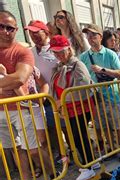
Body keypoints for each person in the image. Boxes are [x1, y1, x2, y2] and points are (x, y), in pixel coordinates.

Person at [0, 11, 63, 180]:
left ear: (15, 30)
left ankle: (54, 175)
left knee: (35, 148)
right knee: (14, 149)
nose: (5, 31)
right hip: (2, 111)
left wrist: (7, 77)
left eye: (9, 28)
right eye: (1, 26)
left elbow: (19, 79)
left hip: (23, 108)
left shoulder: (22, 51)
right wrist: (7, 81)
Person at [49, 35, 98, 180]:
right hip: (67, 108)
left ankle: (88, 167)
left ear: (69, 50)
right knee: (78, 137)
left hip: (80, 107)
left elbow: (83, 89)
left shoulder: (78, 65)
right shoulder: (58, 67)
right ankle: (91, 162)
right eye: (55, 52)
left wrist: (62, 100)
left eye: (60, 51)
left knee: (78, 137)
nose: (58, 55)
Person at [79, 24, 120, 162]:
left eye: (93, 35)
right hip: (95, 98)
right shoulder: (84, 57)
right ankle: (112, 148)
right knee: (103, 125)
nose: (90, 38)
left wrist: (103, 70)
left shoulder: (110, 54)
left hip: (112, 96)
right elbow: (81, 77)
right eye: (88, 35)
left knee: (117, 125)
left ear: (100, 37)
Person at [25, 20, 63, 162]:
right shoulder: (29, 53)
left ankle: (71, 152)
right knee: (50, 129)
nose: (33, 35)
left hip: (58, 97)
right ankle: (60, 154)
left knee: (64, 128)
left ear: (46, 32)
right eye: (30, 33)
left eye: (36, 32)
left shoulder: (55, 49)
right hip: (40, 99)